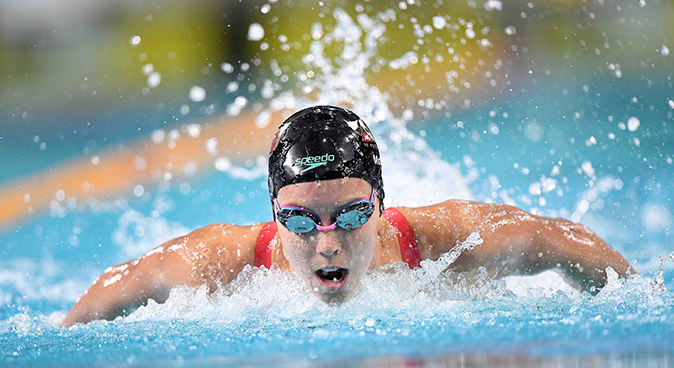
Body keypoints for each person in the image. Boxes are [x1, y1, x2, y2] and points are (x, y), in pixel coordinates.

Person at [61, 105, 634, 325]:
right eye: (302, 221)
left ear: (382, 207)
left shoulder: (450, 242)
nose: (327, 244)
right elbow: (99, 302)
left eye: (352, 214)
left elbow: (564, 240)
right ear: (274, 215)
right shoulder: (213, 265)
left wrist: (638, 299)